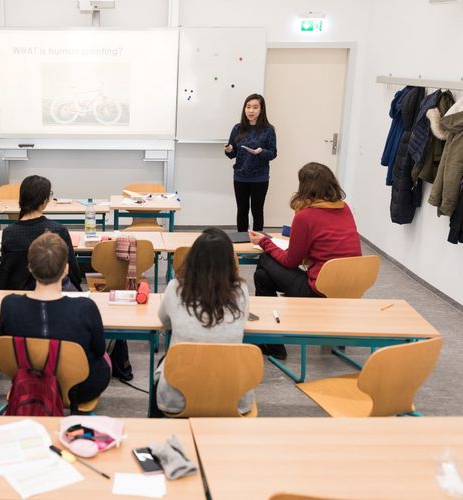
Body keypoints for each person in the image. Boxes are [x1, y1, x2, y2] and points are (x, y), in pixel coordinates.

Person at [249, 162, 362, 359]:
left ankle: (272, 342)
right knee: (262, 277)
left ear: (305, 187)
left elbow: (291, 261)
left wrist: (265, 242)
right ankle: (273, 338)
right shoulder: (345, 208)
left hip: (318, 291)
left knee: (265, 261)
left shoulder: (306, 216)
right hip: (350, 288)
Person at [0, 233, 110, 407]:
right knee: (104, 358)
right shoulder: (85, 308)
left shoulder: (9, 305)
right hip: (79, 389)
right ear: (66, 269)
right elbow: (99, 349)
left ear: (30, 267)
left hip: (29, 384)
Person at [151, 227, 251, 417]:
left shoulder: (176, 288)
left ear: (193, 258)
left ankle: (158, 430)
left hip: (179, 397)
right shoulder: (241, 291)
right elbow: (243, 321)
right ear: (230, 262)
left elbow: (163, 320)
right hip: (233, 396)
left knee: (165, 362)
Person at [0, 175, 81, 290]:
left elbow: (7, 270)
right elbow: (73, 272)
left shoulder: (9, 233)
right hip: (53, 291)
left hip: (18, 294)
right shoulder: (58, 231)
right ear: (44, 201)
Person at [224, 94, 277, 232]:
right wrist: (229, 150)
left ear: (261, 110)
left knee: (257, 210)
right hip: (240, 176)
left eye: (255, 107)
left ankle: (259, 242)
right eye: (248, 107)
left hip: (260, 177)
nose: (251, 111)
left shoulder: (268, 130)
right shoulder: (237, 128)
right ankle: (242, 241)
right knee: (242, 210)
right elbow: (232, 153)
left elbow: (273, 153)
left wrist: (261, 152)